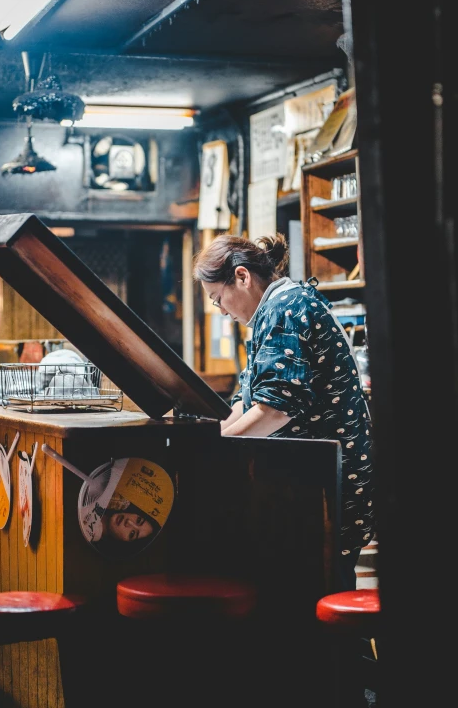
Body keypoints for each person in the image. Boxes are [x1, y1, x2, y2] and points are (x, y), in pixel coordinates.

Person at [193, 232, 374, 590]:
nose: (222, 311)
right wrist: (210, 434)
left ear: (242, 277)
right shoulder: (272, 309)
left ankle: (337, 649)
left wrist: (213, 450)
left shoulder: (284, 308)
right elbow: (248, 401)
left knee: (317, 592)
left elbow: (276, 409)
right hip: (311, 479)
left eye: (218, 299)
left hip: (331, 484)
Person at [81, 499, 161, 558]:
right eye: (138, 520)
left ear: (125, 544)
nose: (129, 522)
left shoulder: (90, 533)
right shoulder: (109, 501)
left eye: (132, 534)